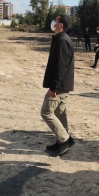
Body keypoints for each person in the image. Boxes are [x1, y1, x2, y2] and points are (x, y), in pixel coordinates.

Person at [41, 14, 75, 157]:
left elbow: (61, 67)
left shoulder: (62, 40)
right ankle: (63, 141)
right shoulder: (61, 38)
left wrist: (54, 87)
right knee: (60, 112)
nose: (53, 22)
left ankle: (65, 140)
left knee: (46, 112)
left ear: (61, 25)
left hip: (60, 85)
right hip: (64, 84)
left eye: (55, 20)